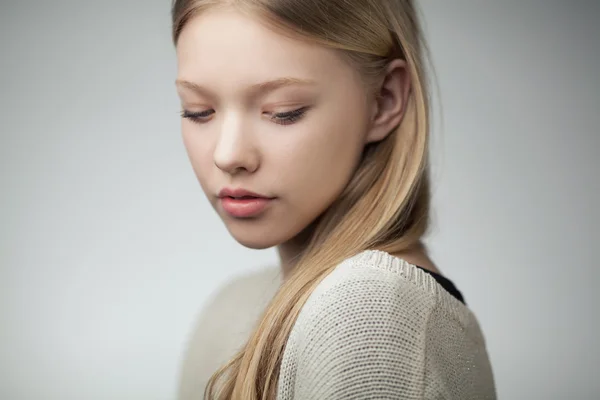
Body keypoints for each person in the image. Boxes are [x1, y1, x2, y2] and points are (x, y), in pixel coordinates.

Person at [172, 0, 496, 399]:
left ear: (384, 100)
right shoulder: (233, 309)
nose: (228, 155)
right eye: (198, 112)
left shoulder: (371, 314)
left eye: (283, 112)